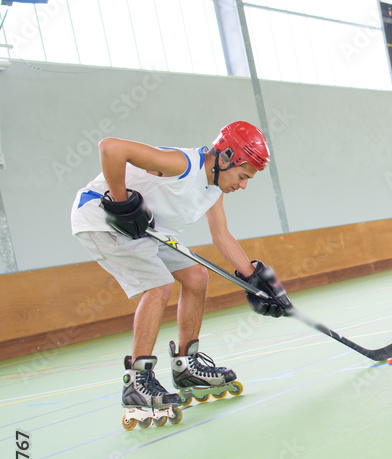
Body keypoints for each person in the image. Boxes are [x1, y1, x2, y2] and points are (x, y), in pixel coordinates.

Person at [70, 121, 291, 429]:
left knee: (197, 276)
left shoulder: (214, 189)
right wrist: (121, 202)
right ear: (225, 158)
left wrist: (255, 279)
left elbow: (221, 235)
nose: (243, 185)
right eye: (243, 176)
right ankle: (137, 382)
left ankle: (187, 365)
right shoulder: (183, 165)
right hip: (102, 219)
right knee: (158, 285)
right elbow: (111, 148)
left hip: (146, 231)